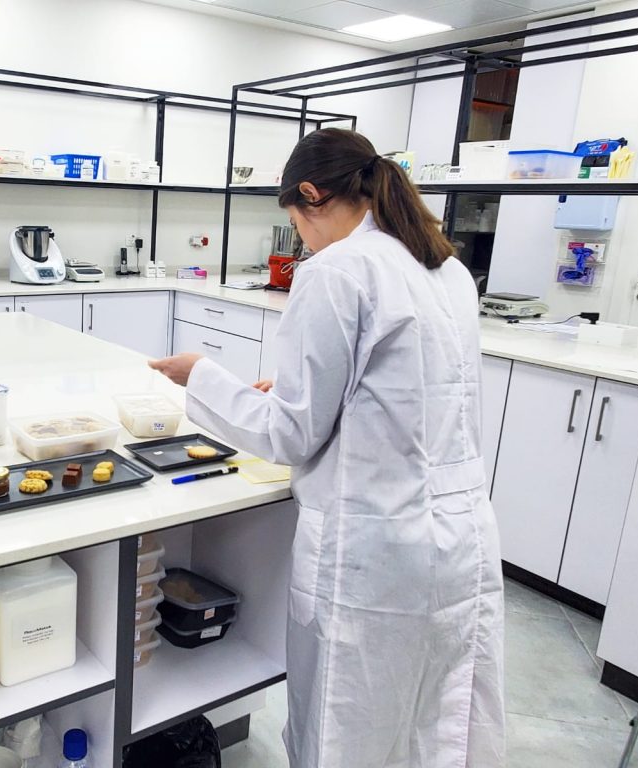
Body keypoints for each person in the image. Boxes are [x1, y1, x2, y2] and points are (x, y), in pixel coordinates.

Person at [149, 128, 505, 768]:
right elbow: (398, 401)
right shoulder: (446, 269)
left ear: (311, 195)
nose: (301, 239)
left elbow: (288, 434)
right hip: (460, 542)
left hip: (372, 551)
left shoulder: (338, 271)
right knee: (435, 724)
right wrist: (291, 391)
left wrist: (201, 375)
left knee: (349, 731)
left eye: (295, 222)